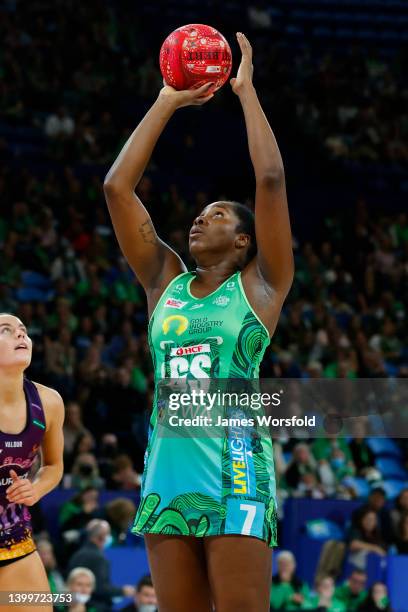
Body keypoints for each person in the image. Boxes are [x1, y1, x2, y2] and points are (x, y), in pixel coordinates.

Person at [104, 33, 293, 612]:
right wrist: (168, 100)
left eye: (214, 217)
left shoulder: (260, 287)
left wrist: (246, 93)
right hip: (167, 473)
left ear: (242, 239)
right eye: (197, 214)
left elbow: (270, 182)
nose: (196, 220)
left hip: (236, 472)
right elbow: (117, 187)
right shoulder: (165, 282)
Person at [0, 313, 64, 609]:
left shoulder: (49, 402)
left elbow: (53, 466)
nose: (20, 335)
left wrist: (36, 489)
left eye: (24, 331)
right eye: (6, 330)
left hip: (14, 540)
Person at [67, 519, 136, 609]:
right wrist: (122, 591)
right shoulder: (98, 557)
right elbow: (100, 587)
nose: (83, 588)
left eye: (87, 585)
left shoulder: (77, 554)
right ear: (102, 537)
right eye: (108, 534)